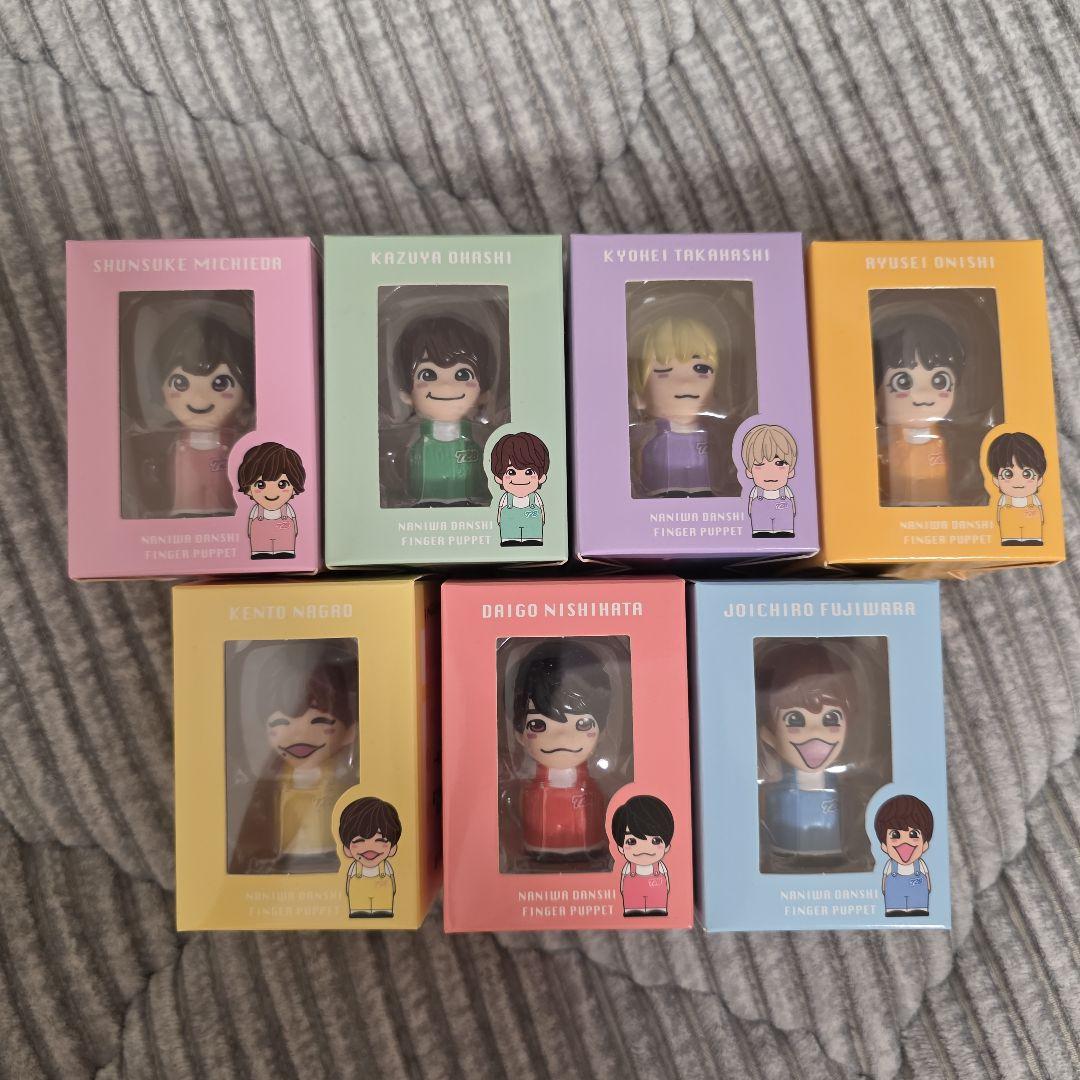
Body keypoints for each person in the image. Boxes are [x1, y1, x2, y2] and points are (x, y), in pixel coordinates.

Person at [512, 641, 611, 862]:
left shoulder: (592, 788)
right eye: (538, 725)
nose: (562, 738)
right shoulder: (531, 790)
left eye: (583, 724)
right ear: (519, 734)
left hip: (589, 843)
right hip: (539, 845)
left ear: (602, 731)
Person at [156, 313, 255, 516]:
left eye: (221, 383)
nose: (200, 398)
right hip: (184, 510)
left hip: (225, 511)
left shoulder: (234, 441)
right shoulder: (176, 444)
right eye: (180, 383)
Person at [394, 314, 494, 505]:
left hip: (470, 504)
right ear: (407, 394)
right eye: (428, 374)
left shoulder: (477, 443)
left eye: (463, 374)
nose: (446, 386)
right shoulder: (416, 447)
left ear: (483, 393)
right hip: (424, 504)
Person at [872, 312, 965, 507]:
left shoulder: (947, 442)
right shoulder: (886, 445)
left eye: (939, 381)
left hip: (941, 508)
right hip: (897, 506)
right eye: (903, 382)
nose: (923, 394)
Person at [629, 315, 723, 497]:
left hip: (706, 493)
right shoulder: (649, 437)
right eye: (663, 371)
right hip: (662, 492)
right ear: (640, 397)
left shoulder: (715, 436)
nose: (685, 382)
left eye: (701, 369)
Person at [237, 442, 306, 558]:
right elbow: (250, 524)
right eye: (260, 485)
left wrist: (295, 532)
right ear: (248, 489)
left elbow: (294, 523)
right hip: (260, 539)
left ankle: (285, 551)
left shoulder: (287, 509)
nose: (271, 493)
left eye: (282, 484)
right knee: (260, 550)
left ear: (294, 488)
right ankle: (260, 552)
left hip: (284, 539)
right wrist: (249, 533)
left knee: (285, 550)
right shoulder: (256, 510)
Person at [611, 795, 674, 917]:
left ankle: (658, 908)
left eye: (655, 841)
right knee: (633, 909)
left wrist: (667, 890)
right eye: (631, 841)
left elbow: (666, 880)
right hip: (632, 897)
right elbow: (623, 881)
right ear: (621, 848)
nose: (644, 848)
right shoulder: (628, 868)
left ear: (667, 846)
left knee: (657, 909)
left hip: (657, 897)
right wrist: (622, 891)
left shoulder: (660, 866)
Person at [340, 796, 402, 918]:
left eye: (380, 840)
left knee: (383, 910)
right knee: (359, 911)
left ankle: (383, 910)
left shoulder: (386, 868)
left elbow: (393, 885)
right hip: (358, 900)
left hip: (383, 899)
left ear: (392, 848)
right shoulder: (354, 868)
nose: (369, 847)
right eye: (359, 841)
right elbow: (348, 885)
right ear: (347, 849)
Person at [873, 794, 933, 917]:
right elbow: (885, 878)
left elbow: (926, 876)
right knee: (894, 911)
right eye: (895, 835)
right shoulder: (890, 865)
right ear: (884, 846)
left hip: (918, 896)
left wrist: (928, 887)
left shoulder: (920, 864)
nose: (905, 842)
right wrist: (884, 889)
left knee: (919, 911)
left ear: (925, 845)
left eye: (913, 834)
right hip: (894, 897)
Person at [987, 431, 1046, 546]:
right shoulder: (1004, 500)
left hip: (1032, 530)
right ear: (996, 480)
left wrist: (1042, 520)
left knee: (1033, 540)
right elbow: (999, 513)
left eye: (1027, 474)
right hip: (1009, 531)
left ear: (1039, 480)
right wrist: (999, 521)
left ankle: (1033, 538)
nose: (1018, 482)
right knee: (1010, 540)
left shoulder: (1034, 500)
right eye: (1008, 474)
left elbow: (1040, 511)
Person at [491, 431, 549, 546]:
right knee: (510, 540)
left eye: (529, 472)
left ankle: (533, 538)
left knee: (533, 540)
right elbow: (500, 510)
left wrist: (542, 520)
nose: (520, 478)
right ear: (499, 478)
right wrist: (499, 520)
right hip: (509, 528)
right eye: (511, 472)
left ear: (541, 477)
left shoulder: (535, 498)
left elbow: (541, 509)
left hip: (533, 530)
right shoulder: (506, 498)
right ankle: (509, 539)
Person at [741, 424, 797, 538]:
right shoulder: (755, 492)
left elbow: (793, 506)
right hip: (760, 519)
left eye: (779, 463)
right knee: (761, 533)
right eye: (760, 464)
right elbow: (750, 507)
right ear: (749, 472)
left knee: (785, 533)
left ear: (790, 471)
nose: (770, 472)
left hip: (784, 520)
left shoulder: (786, 491)